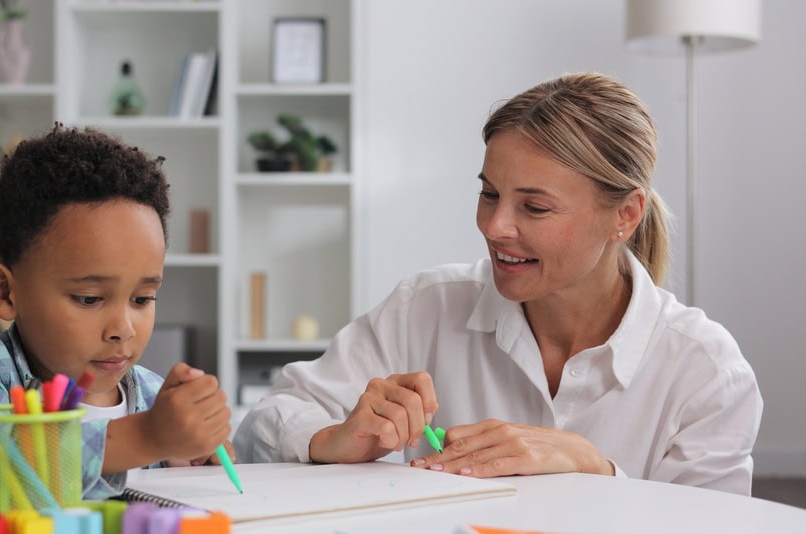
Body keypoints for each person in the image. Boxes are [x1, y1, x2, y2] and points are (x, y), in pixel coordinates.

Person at [234, 72, 762, 495]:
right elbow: (265, 422)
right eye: (489, 194)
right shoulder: (425, 307)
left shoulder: (706, 372)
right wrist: (336, 438)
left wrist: (595, 470)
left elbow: (715, 522)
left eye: (534, 206)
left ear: (624, 215)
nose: (494, 227)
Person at [0, 124, 233, 505]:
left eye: (143, 298)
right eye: (89, 299)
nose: (122, 329)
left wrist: (195, 452)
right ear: (5, 291)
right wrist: (144, 439)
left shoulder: (150, 394)